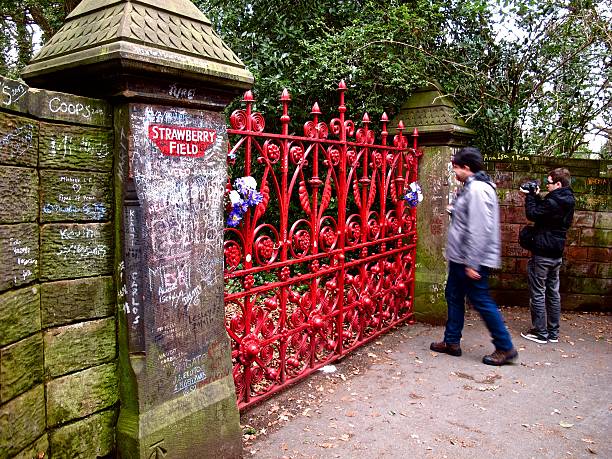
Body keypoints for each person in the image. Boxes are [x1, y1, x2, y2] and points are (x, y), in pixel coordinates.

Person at [430, 147, 518, 366]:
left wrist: (473, 263)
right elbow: (469, 218)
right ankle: (451, 341)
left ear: (466, 167)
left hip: (470, 259)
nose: (455, 173)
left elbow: (479, 228)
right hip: (460, 258)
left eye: (456, 168)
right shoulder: (471, 187)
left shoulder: (478, 189)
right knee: (453, 296)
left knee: (482, 302)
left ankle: (505, 347)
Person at [520, 168, 575, 344]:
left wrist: (530, 196)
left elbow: (533, 214)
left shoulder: (553, 201)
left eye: (549, 183)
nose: (547, 186)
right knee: (553, 292)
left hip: (543, 252)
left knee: (538, 292)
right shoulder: (567, 199)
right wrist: (537, 197)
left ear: (558, 184)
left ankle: (540, 332)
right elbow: (545, 214)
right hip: (556, 253)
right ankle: (553, 332)